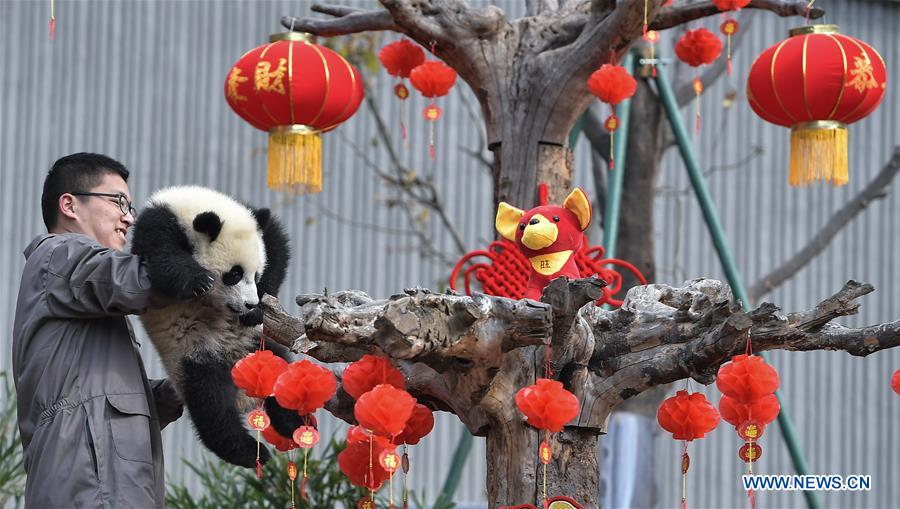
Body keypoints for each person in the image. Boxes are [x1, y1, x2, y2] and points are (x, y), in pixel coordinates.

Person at [12, 153, 212, 508]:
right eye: (118, 201)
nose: (130, 218)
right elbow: (134, 280)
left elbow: (108, 399)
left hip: (99, 486)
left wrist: (182, 387)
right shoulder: (59, 254)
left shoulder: (78, 290)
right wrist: (217, 269)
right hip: (89, 488)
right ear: (70, 205)